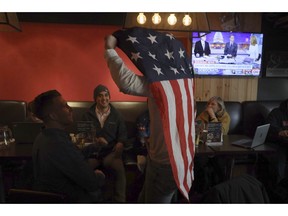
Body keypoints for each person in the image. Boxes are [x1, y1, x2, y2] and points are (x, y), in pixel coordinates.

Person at [104, 35, 180, 203]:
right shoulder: (186, 80)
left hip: (164, 162)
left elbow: (126, 82)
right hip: (178, 160)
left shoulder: (162, 83)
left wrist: (110, 49)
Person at [32, 89, 105, 203]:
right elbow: (92, 183)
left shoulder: (43, 136)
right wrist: (97, 176)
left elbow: (72, 155)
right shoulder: (59, 144)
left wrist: (94, 146)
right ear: (53, 115)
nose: (70, 109)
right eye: (65, 106)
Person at [82, 84, 127, 203]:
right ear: (95, 99)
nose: (104, 98)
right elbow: (83, 136)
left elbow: (123, 134)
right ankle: (85, 201)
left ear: (109, 97)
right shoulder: (87, 114)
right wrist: (95, 141)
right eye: (100, 96)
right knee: (82, 168)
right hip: (93, 153)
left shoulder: (117, 115)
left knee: (119, 169)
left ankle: (120, 202)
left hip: (110, 153)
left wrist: (121, 143)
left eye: (106, 95)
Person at [267, 99, 288, 182]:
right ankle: (279, 185)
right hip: (277, 142)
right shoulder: (276, 112)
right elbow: (270, 127)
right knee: (280, 153)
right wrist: (280, 132)